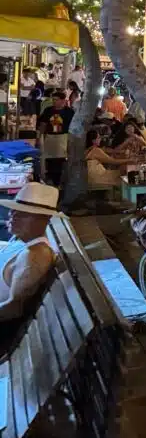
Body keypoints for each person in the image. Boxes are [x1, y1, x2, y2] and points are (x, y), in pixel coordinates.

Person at [0, 184, 58, 333]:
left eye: (23, 214)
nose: (13, 216)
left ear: (45, 218)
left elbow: (13, 309)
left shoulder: (34, 257)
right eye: (14, 210)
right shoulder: (24, 239)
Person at [37, 90, 74, 186]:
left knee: (60, 160)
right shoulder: (48, 110)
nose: (54, 102)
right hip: (50, 137)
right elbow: (43, 124)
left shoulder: (69, 112)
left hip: (63, 138)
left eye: (56, 100)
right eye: (53, 100)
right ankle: (50, 177)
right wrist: (40, 136)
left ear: (63, 101)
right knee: (49, 159)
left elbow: (72, 127)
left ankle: (57, 181)